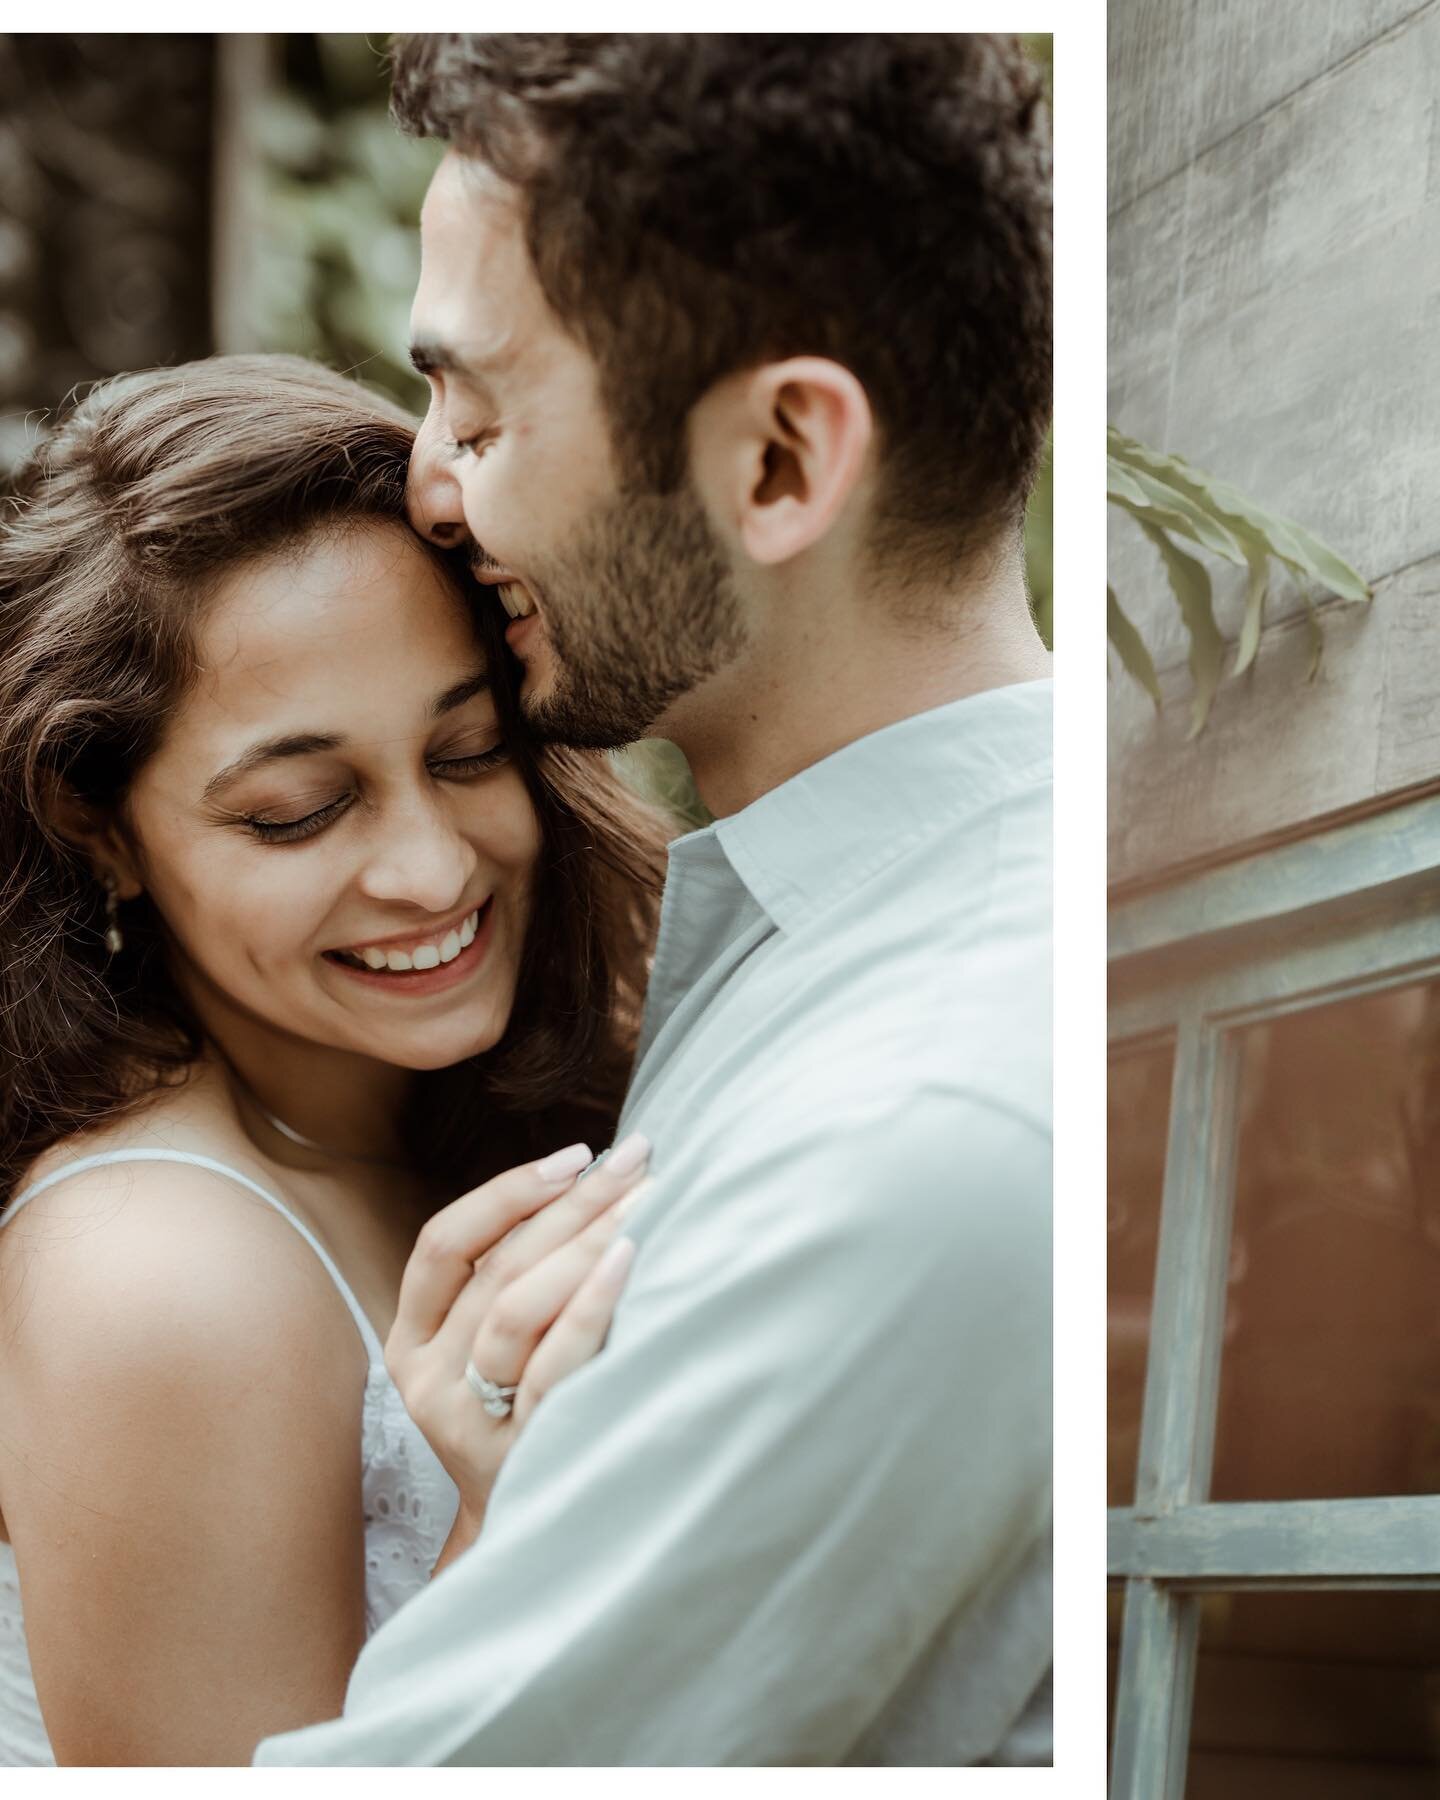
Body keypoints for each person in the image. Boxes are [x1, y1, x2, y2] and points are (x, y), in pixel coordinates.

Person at [257, 33, 1054, 1768]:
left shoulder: (912, 1139)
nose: (427, 483)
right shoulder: (848, 947)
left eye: (480, 413)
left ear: (779, 463)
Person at [0, 354, 671, 1766]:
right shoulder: (154, 1273)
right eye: (299, 814)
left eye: (470, 749)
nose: (430, 870)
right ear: (99, 825)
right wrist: (499, 1519)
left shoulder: (467, 1109)